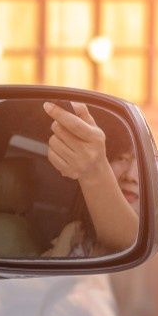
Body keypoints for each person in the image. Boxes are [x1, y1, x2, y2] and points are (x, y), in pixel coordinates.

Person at [41, 101, 140, 257]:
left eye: (141, 165)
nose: (131, 176)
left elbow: (128, 243)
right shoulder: (74, 232)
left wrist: (93, 170)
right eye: (122, 158)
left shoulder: (142, 240)